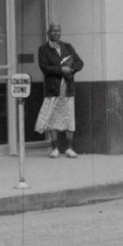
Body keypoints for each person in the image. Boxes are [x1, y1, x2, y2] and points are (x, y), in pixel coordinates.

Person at [35, 22, 83, 158]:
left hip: (67, 89)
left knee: (69, 119)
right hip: (53, 89)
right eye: (53, 31)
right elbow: (44, 68)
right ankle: (55, 148)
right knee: (53, 120)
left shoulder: (67, 47)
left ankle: (69, 148)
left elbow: (80, 63)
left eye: (58, 31)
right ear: (48, 33)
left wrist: (71, 69)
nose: (56, 33)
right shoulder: (43, 49)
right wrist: (61, 69)